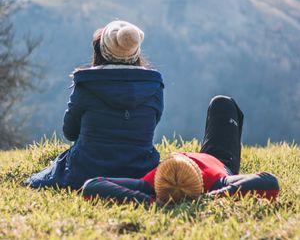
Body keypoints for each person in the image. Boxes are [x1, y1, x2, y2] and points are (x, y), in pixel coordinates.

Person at [25, 20, 164, 190]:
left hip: (87, 171)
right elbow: (149, 126)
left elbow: (69, 132)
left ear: (100, 50)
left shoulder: (86, 85)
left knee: (36, 181)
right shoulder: (154, 87)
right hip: (140, 170)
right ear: (136, 54)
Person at [82, 96, 280, 203]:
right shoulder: (218, 182)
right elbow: (269, 182)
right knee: (223, 103)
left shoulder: (149, 186)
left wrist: (150, 200)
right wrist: (209, 197)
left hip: (164, 190)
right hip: (218, 160)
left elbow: (92, 185)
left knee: (221, 103)